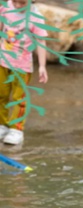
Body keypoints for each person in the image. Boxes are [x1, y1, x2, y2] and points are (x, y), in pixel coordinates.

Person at [0, 0, 49, 145]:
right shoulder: (5, 6)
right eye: (16, 2)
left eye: (22, 3)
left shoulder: (35, 16)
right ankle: (2, 124)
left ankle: (16, 129)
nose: (18, 6)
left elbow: (41, 41)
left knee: (18, 97)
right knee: (1, 94)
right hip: (2, 60)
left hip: (22, 65)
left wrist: (42, 65)